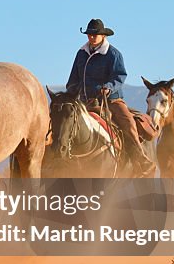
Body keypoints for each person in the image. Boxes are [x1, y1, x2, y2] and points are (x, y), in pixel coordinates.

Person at [65, 18, 155, 176]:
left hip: (111, 100)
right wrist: (71, 92)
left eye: (95, 34)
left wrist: (108, 87)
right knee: (65, 124)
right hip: (85, 102)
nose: (91, 37)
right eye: (89, 34)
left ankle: (141, 159)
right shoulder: (81, 54)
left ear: (103, 36)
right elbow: (74, 78)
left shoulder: (113, 54)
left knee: (128, 123)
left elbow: (120, 76)